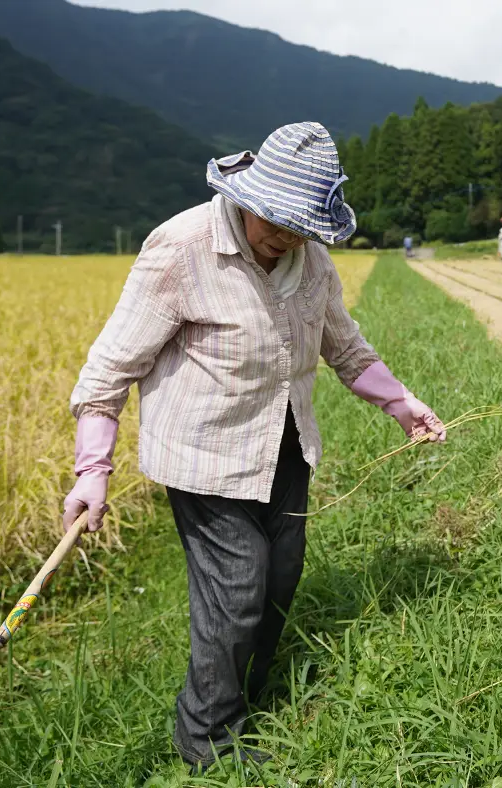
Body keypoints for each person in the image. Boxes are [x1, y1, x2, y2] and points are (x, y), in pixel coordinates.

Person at [61, 122, 446, 769]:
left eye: (301, 224)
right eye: (274, 216)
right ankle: (205, 738)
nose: (284, 234)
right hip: (203, 454)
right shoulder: (182, 249)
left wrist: (402, 404)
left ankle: (247, 697)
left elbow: (344, 348)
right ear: (248, 193)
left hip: (284, 445)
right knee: (238, 587)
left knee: (279, 581)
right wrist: (91, 470)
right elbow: (109, 369)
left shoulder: (313, 264)